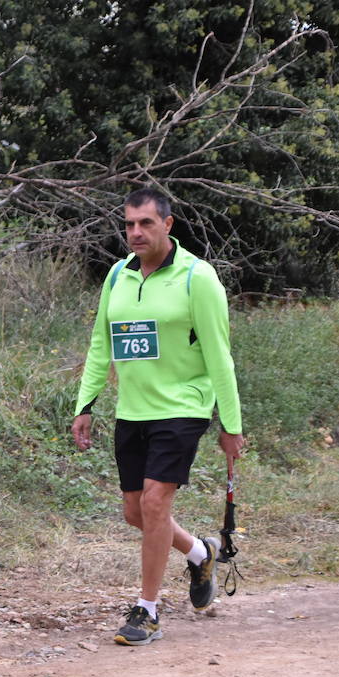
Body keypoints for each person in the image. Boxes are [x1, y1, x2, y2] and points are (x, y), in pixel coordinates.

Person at [71, 187, 247, 646]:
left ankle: (146, 611)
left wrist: (231, 425)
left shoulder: (197, 278)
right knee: (136, 512)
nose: (135, 232)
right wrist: (84, 405)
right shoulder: (116, 277)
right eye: (129, 224)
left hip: (184, 406)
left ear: (167, 225)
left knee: (154, 505)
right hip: (133, 409)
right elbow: (99, 344)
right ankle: (198, 552)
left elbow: (220, 356)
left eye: (145, 223)